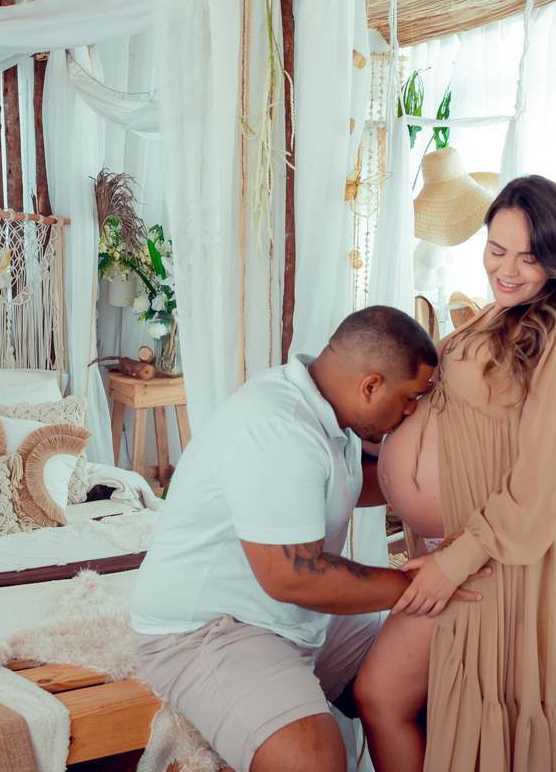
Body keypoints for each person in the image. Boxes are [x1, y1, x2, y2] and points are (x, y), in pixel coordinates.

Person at [128, 305, 494, 772]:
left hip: (294, 617)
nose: (411, 411)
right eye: (409, 397)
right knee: (312, 759)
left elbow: (365, 483)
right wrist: (421, 583)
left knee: (426, 683)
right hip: (211, 626)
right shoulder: (278, 428)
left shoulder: (332, 415)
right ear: (370, 386)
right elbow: (294, 576)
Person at [355, 175, 556, 772]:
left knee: (381, 695)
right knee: (423, 709)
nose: (507, 270)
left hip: (484, 562)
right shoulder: (494, 315)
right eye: (496, 250)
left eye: (528, 258)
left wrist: (454, 560)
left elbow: (543, 486)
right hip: (449, 550)